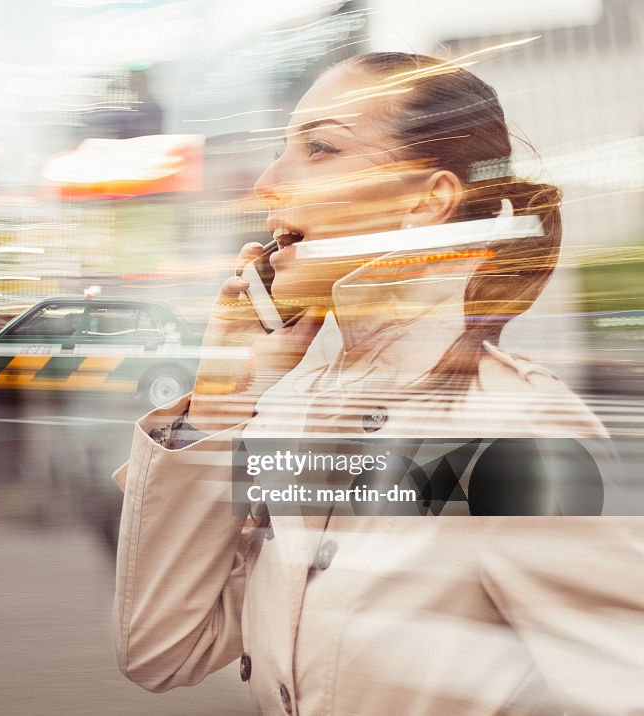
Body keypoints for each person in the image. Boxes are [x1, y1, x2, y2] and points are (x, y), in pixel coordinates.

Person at [113, 52, 644, 715]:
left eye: (320, 148)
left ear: (429, 200)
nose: (267, 182)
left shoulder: (519, 436)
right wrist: (221, 398)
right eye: (284, 149)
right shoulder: (291, 412)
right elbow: (165, 651)